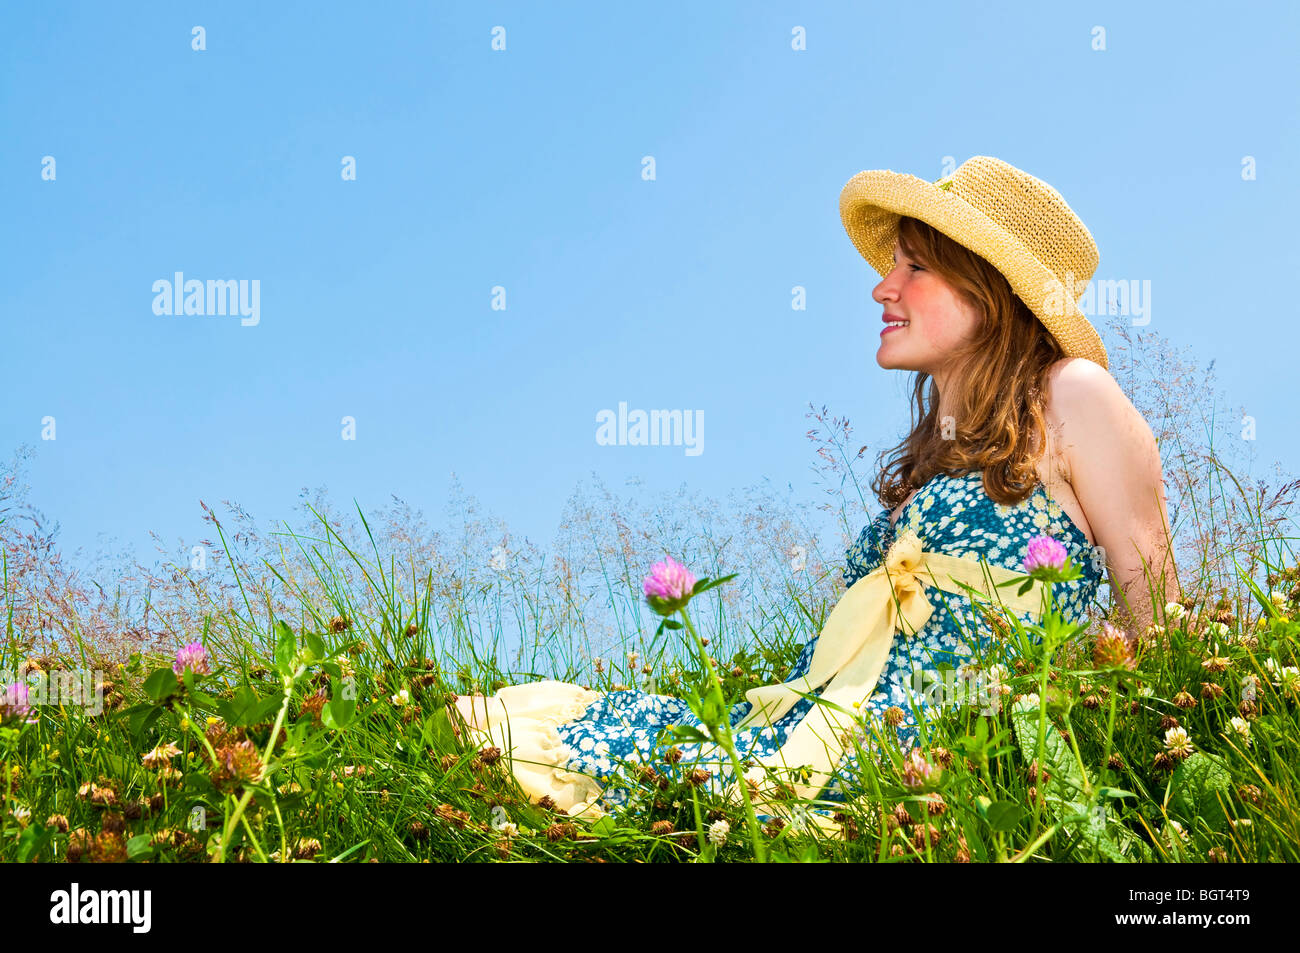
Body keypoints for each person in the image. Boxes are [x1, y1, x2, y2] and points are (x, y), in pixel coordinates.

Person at [451, 155, 1180, 832]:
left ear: (988, 289)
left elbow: (1158, 617)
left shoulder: (1073, 397)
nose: (882, 287)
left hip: (951, 752)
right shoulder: (931, 457)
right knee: (584, 739)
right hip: (832, 723)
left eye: (914, 267)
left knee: (684, 786)